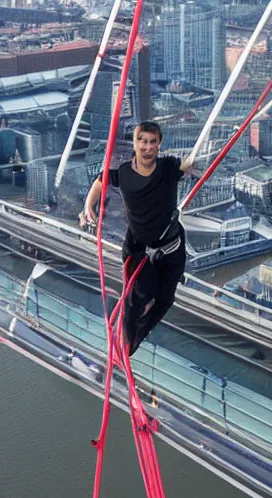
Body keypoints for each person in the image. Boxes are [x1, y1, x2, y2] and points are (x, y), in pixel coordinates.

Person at [80, 121, 193, 355]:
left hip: (171, 247)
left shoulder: (168, 168)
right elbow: (101, 181)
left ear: (159, 145)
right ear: (135, 143)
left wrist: (196, 158)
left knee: (165, 300)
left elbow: (188, 166)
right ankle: (127, 344)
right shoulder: (123, 173)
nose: (147, 147)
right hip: (138, 248)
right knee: (138, 296)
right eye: (143, 141)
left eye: (153, 142)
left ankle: (136, 338)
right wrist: (88, 205)